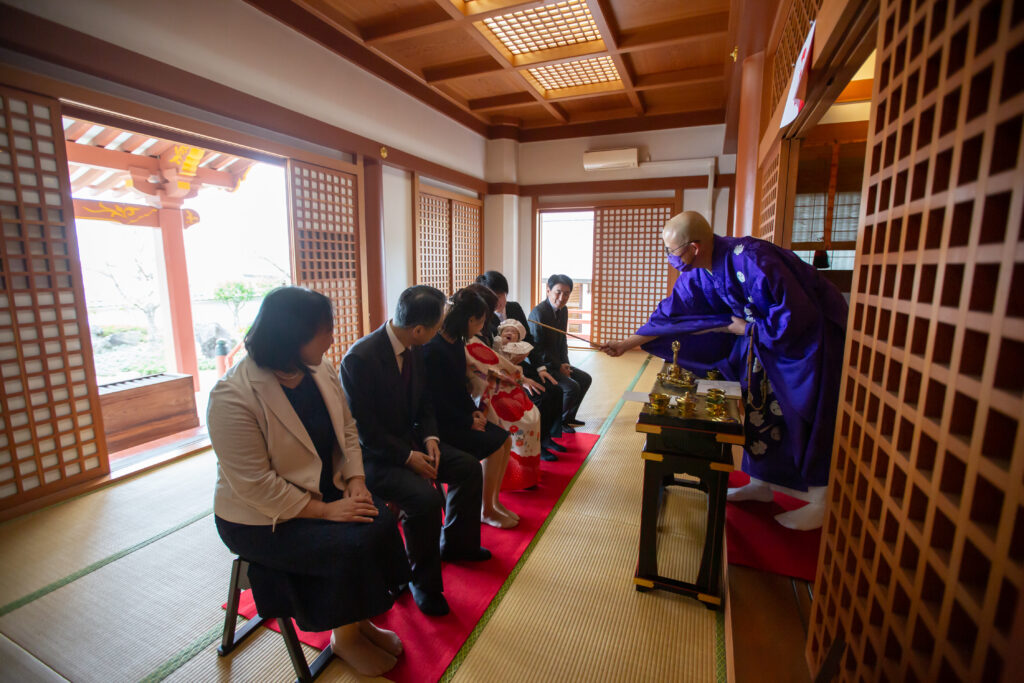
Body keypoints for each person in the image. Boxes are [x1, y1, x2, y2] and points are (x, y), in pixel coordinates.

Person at [601, 211, 848, 530]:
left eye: (672, 251)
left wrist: (743, 328)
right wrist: (626, 343)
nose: (669, 258)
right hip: (762, 345)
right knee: (760, 410)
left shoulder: (753, 259)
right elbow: (672, 316)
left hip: (805, 348)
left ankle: (820, 499)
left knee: (803, 414)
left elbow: (796, 315)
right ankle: (762, 483)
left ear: (695, 246)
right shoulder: (698, 274)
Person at [208, 287, 408, 677]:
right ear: (291, 336)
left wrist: (355, 482)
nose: (332, 338)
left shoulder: (318, 368)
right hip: (260, 518)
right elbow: (255, 485)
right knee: (351, 542)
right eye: (324, 330)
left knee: (380, 518)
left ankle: (359, 622)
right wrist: (327, 511)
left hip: (324, 487)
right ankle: (344, 638)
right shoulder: (232, 396)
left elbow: (347, 431)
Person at [340, 286, 489, 617]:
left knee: (467, 467)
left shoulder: (414, 346)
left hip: (414, 442)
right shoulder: (360, 359)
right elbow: (365, 432)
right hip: (375, 458)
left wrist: (432, 439)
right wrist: (409, 458)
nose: (440, 331)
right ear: (420, 329)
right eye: (437, 325)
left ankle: (457, 544)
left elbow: (424, 402)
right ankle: (423, 583)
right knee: (425, 500)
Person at [423, 288, 517, 528]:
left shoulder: (455, 341)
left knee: (504, 439)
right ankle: (486, 509)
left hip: (457, 416)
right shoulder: (434, 349)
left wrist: (472, 410)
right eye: (481, 321)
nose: (482, 326)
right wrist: (468, 421)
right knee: (495, 444)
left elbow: (458, 389)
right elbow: (437, 400)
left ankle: (493, 502)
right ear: (469, 320)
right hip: (441, 426)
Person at [475, 271, 566, 459]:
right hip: (500, 371)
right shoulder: (483, 318)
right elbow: (490, 357)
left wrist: (540, 368)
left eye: (501, 296)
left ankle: (547, 436)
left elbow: (530, 339)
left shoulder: (514, 308)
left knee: (555, 390)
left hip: (521, 364)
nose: (499, 302)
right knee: (539, 395)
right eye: (494, 298)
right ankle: (535, 443)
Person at [467, 303, 546, 490]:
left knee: (533, 413)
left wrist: (518, 376)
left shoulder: (479, 336)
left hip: (502, 384)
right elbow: (491, 367)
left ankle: (525, 473)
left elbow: (498, 365)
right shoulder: (471, 340)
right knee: (523, 420)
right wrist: (516, 376)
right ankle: (511, 475)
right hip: (485, 393)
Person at [529, 274, 593, 433]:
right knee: (572, 387)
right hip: (543, 366)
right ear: (548, 290)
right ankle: (559, 422)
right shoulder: (539, 313)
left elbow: (562, 339)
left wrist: (566, 364)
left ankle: (568, 417)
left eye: (566, 293)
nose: (562, 297)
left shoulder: (563, 310)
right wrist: (558, 366)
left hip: (557, 363)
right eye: (558, 292)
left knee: (585, 379)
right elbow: (538, 349)